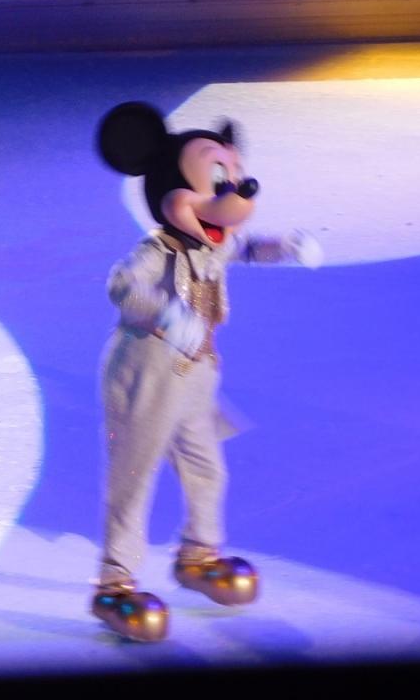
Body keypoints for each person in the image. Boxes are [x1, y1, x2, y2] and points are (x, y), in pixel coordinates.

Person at [90, 101, 321, 642]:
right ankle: (116, 582)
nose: (231, 195)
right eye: (216, 182)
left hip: (196, 376)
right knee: (135, 476)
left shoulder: (213, 241)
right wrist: (166, 317)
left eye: (233, 180)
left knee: (207, 469)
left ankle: (198, 555)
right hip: (146, 375)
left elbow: (248, 247)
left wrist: (287, 247)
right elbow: (122, 286)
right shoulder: (158, 249)